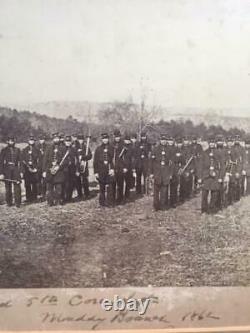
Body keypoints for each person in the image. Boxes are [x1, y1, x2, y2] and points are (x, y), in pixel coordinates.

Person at [197, 136, 225, 214]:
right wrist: (199, 177)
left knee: (214, 193)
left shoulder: (219, 153)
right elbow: (200, 166)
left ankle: (211, 209)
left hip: (215, 175)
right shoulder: (204, 153)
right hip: (206, 176)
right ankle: (204, 210)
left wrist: (221, 177)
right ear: (209, 143)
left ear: (215, 143)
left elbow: (223, 166)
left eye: (213, 143)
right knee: (204, 194)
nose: (212, 144)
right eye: (211, 143)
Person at [42, 132, 69, 206]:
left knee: (58, 187)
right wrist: (44, 171)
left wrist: (59, 167)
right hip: (49, 170)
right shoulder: (48, 148)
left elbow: (66, 161)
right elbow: (45, 160)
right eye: (55, 138)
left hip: (59, 171)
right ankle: (50, 202)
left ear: (59, 139)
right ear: (53, 139)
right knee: (49, 187)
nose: (56, 139)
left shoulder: (63, 148)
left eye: (57, 138)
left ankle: (58, 201)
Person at [149, 134, 173, 211]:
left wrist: (170, 174)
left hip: (166, 172)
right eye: (162, 140)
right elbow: (151, 162)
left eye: (165, 140)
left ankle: (163, 205)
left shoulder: (169, 150)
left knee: (164, 190)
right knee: (156, 190)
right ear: (160, 140)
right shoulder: (155, 149)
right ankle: (155, 206)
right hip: (157, 172)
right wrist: (151, 173)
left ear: (166, 141)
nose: (163, 141)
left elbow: (171, 163)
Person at [0, 136, 22, 207]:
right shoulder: (4, 150)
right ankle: (9, 202)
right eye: (10, 141)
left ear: (14, 141)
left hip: (16, 169)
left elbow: (21, 162)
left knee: (17, 186)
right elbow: (1, 162)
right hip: (7, 170)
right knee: (8, 187)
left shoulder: (17, 150)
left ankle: (18, 203)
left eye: (12, 141)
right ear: (7, 142)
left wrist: (21, 172)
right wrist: (1, 173)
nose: (11, 142)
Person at [93, 133, 115, 207]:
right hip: (101, 170)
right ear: (102, 139)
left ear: (108, 139)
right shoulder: (98, 149)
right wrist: (96, 172)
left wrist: (112, 169)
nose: (105, 140)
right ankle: (101, 203)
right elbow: (95, 161)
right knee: (101, 187)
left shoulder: (112, 148)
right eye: (103, 139)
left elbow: (114, 160)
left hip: (109, 170)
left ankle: (110, 202)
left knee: (110, 187)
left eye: (106, 138)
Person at [21, 135, 40, 203]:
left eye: (32, 140)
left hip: (34, 168)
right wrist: (23, 170)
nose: (31, 141)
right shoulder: (24, 150)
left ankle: (34, 198)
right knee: (27, 184)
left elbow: (39, 160)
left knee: (35, 184)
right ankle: (28, 198)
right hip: (27, 169)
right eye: (30, 140)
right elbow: (22, 160)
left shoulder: (37, 150)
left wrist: (36, 168)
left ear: (34, 141)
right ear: (28, 141)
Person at [76, 133, 92, 199]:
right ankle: (79, 194)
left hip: (84, 165)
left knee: (85, 180)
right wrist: (77, 158)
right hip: (77, 165)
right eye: (79, 139)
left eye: (82, 139)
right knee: (78, 180)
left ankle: (87, 193)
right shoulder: (75, 147)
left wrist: (83, 157)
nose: (81, 141)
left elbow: (90, 156)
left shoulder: (86, 147)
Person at [111, 129, 124, 204]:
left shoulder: (123, 144)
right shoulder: (111, 144)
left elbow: (126, 157)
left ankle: (120, 199)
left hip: (120, 167)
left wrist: (124, 166)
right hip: (113, 166)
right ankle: (113, 198)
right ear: (114, 137)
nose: (117, 138)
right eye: (116, 137)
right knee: (113, 183)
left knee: (120, 184)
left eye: (118, 136)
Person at [37, 134, 47, 201]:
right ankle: (39, 194)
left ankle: (44, 194)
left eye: (43, 139)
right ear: (39, 140)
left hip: (45, 165)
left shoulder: (48, 146)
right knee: (38, 181)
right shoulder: (36, 147)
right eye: (40, 139)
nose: (41, 140)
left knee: (45, 181)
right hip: (38, 166)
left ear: (44, 139)